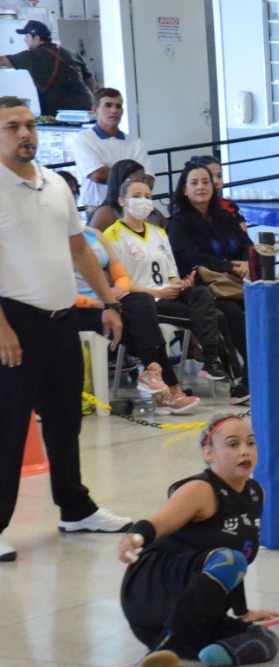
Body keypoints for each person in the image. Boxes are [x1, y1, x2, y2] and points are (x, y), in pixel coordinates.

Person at [0, 97, 130, 564]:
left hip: (61, 320)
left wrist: (109, 304)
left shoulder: (56, 184)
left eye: (29, 125)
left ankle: (75, 509)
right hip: (13, 322)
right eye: (12, 126)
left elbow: (80, 250)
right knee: (9, 429)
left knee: (64, 422)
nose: (24, 134)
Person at [119, 414, 278, 667]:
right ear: (209, 453)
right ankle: (162, 651)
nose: (244, 451)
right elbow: (158, 523)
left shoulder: (255, 493)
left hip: (189, 610)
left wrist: (242, 612)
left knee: (265, 639)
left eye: (251, 443)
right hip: (153, 589)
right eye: (232, 444)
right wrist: (134, 537)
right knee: (229, 559)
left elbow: (236, 555)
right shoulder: (200, 489)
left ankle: (199, 652)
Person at [103, 173, 236, 406]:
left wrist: (180, 284)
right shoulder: (112, 235)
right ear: (122, 201)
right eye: (136, 196)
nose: (143, 200)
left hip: (168, 295)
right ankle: (229, 377)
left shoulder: (158, 232)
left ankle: (213, 362)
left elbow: (171, 273)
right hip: (143, 300)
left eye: (147, 196)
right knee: (216, 316)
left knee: (200, 293)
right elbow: (117, 284)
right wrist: (157, 293)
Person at [71, 222, 196, 414]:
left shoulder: (93, 234)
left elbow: (119, 274)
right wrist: (96, 302)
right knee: (137, 326)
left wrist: (119, 289)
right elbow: (55, 288)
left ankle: (153, 373)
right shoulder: (50, 240)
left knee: (143, 302)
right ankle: (169, 391)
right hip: (79, 307)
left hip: (108, 298)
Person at [167, 160, 253, 400]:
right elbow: (192, 257)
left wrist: (246, 262)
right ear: (184, 189)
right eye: (194, 183)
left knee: (268, 303)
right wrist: (230, 267)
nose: (201, 187)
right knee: (231, 314)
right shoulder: (178, 223)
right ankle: (244, 380)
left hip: (234, 283)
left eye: (206, 182)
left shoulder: (224, 216)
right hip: (203, 288)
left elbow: (246, 244)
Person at [69, 88, 146, 208]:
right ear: (95, 110)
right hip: (97, 208)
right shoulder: (83, 138)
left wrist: (112, 173)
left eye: (118, 106)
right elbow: (98, 175)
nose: (114, 110)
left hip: (131, 208)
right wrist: (133, 176)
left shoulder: (136, 142)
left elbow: (148, 179)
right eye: (108, 105)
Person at [0, 21, 93, 116]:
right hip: (87, 105)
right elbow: (90, 79)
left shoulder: (34, 55)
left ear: (37, 39)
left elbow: (2, 61)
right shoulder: (71, 53)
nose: (24, 40)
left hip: (60, 110)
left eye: (27, 37)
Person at [87, 159, 164, 232]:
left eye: (143, 180)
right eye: (132, 181)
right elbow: (94, 243)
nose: (140, 184)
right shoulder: (106, 214)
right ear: (119, 183)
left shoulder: (152, 211)